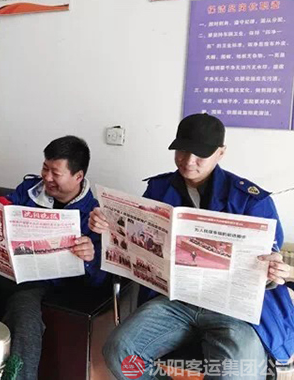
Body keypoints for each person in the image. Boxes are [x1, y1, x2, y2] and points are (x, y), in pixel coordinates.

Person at [89, 114, 294, 379]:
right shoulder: (159, 189)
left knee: (235, 372)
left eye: (200, 155)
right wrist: (107, 225)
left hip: (231, 310)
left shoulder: (250, 200)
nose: (188, 161)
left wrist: (275, 270)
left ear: (220, 153)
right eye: (182, 151)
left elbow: (272, 260)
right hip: (175, 301)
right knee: (120, 352)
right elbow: (135, 237)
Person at [0, 135, 107, 380]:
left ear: (78, 176)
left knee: (25, 318)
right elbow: (1, 210)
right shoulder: (29, 190)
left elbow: (99, 280)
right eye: (45, 168)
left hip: (36, 286)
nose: (47, 177)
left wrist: (89, 257)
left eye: (55, 173)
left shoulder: (93, 216)